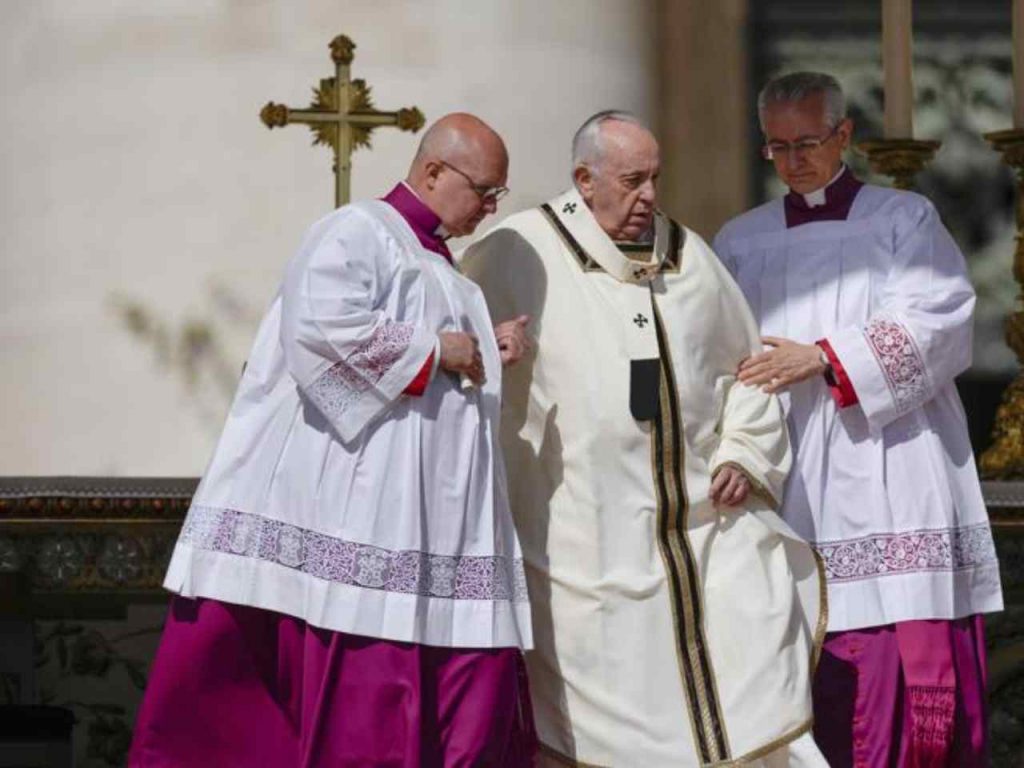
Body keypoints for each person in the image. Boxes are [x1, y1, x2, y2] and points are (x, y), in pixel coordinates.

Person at [129, 113, 537, 768]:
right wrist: (443, 349)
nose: (490, 208)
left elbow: (443, 365)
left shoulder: (446, 270)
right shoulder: (358, 232)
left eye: (498, 196)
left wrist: (489, 344)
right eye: (484, 191)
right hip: (357, 513)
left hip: (433, 529)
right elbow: (321, 331)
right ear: (433, 171)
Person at [461, 110, 826, 767]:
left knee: (748, 668)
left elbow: (751, 376)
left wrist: (745, 452)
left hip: (698, 538)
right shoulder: (515, 253)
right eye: (632, 180)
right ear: (583, 179)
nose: (650, 196)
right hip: (578, 548)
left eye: (655, 178)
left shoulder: (691, 261)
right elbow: (460, 371)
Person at [713, 72, 1004, 767]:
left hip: (890, 465)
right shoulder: (738, 241)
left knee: (892, 670)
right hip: (790, 475)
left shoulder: (902, 220)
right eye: (776, 147)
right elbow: (713, 352)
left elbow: (941, 320)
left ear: (845, 135)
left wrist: (823, 357)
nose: (793, 160)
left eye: (808, 142)